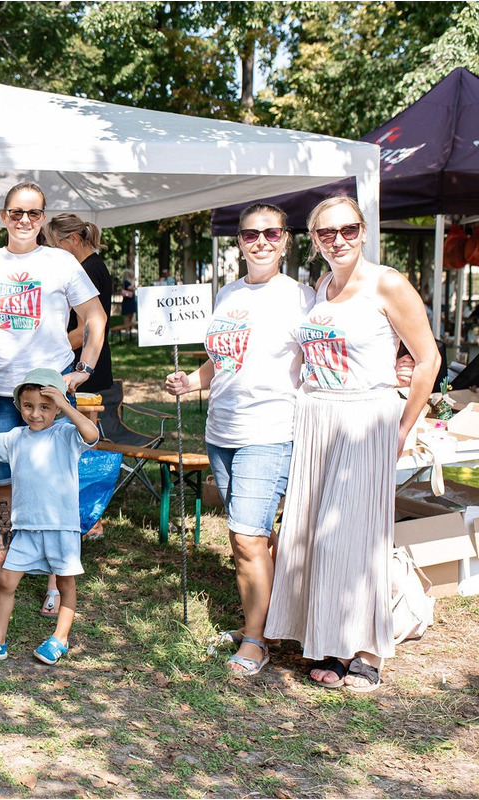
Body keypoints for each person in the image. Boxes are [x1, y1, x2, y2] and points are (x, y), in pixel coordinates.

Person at [265, 197, 438, 691]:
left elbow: (427, 360)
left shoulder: (388, 283)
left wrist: (403, 427)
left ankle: (367, 652)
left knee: (359, 538)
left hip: (367, 418)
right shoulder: (322, 285)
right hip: (318, 417)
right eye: (325, 233)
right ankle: (330, 638)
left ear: (363, 232)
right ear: (314, 239)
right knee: (318, 534)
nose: (337, 240)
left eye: (347, 230)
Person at [164, 204, 313, 677]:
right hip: (221, 430)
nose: (261, 242)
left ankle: (255, 641)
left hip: (268, 432)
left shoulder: (301, 297)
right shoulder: (227, 293)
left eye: (272, 233)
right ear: (240, 241)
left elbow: (329, 351)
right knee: (254, 539)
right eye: (251, 234)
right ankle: (266, 622)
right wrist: (192, 381)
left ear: (286, 239)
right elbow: (223, 358)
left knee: (245, 537)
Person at [0, 182, 107, 610]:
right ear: (3, 216)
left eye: (33, 213)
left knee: (57, 485)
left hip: (49, 393)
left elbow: (95, 317)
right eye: (16, 213)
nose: (24, 220)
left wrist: (82, 369)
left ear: (43, 217)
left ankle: (54, 580)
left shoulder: (61, 262)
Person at [0, 368, 99, 666]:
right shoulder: (16, 438)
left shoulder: (66, 434)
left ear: (57, 408)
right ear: (19, 405)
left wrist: (65, 405)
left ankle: (60, 638)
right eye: (28, 406)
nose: (36, 414)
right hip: (25, 529)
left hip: (61, 528)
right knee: (6, 581)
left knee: (65, 584)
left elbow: (92, 434)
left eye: (45, 407)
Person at [45, 213, 115, 550]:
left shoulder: (87, 270)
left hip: (85, 368)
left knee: (81, 443)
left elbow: (88, 325)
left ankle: (90, 518)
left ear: (71, 240)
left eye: (53, 243)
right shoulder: (93, 266)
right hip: (83, 366)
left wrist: (52, 343)